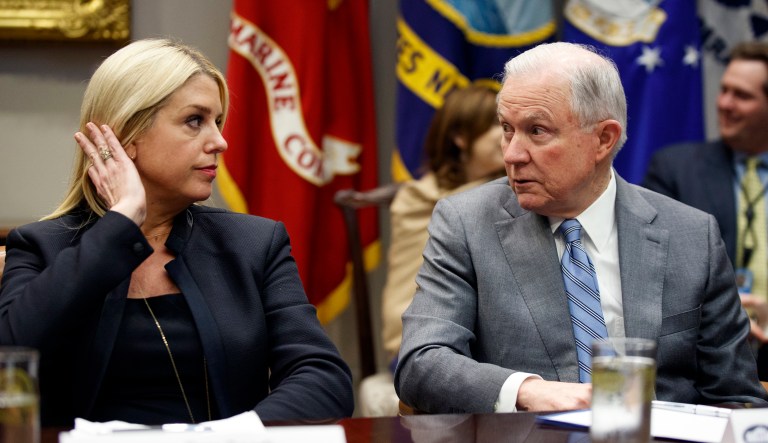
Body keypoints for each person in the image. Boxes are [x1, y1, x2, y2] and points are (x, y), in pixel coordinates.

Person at [395, 42, 768, 414]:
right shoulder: (465, 223)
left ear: (603, 139)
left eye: (537, 131)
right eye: (508, 129)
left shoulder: (691, 235)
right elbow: (421, 361)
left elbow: (736, 396)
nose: (511, 154)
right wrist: (527, 391)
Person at [0, 38, 354, 427]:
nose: (220, 141)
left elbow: (324, 379)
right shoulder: (41, 246)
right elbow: (11, 355)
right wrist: (121, 222)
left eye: (217, 122)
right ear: (126, 136)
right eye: (194, 121)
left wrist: (235, 434)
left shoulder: (254, 244)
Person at [643, 42, 768, 379]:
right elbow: (652, 267)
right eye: (724, 90)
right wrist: (726, 310)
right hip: (705, 354)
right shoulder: (676, 168)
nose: (724, 103)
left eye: (741, 95)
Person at [381, 84, 505, 364]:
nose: (507, 135)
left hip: (490, 350)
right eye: (497, 124)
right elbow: (406, 297)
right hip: (418, 345)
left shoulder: (516, 192)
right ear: (461, 137)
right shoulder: (418, 199)